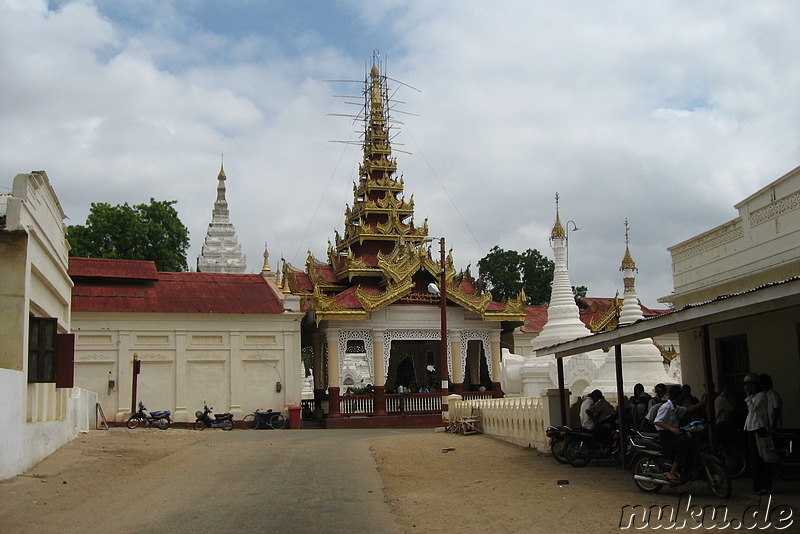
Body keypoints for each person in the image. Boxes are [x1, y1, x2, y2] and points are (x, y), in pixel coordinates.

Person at [654, 385, 706, 483]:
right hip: (666, 435)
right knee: (682, 447)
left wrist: (702, 403)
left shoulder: (675, 407)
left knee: (690, 443)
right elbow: (657, 421)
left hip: (674, 433)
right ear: (678, 397)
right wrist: (671, 428)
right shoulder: (666, 407)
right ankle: (672, 473)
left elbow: (687, 410)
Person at [744, 373, 772, 494]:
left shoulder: (761, 396)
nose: (749, 387)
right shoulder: (755, 397)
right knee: (755, 458)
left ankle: (764, 485)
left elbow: (752, 409)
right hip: (751, 428)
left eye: (751, 385)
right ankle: (759, 485)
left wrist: (748, 396)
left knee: (761, 458)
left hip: (758, 428)